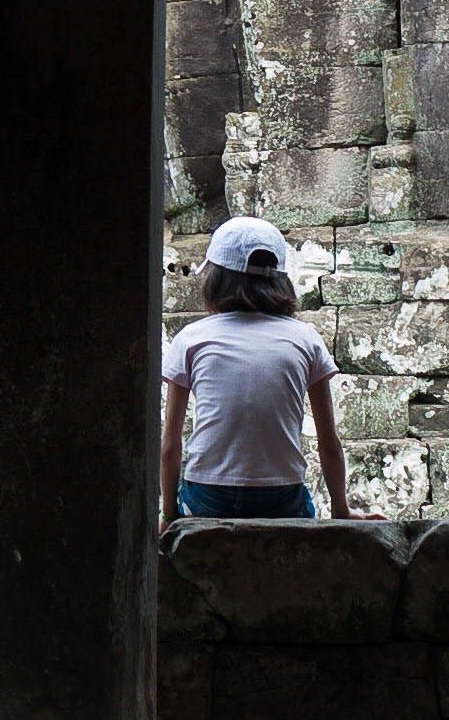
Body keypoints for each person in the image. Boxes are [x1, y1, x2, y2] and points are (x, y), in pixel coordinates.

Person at [159, 216, 385, 529]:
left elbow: (170, 445)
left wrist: (169, 515)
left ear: (216, 278)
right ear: (280, 279)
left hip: (210, 496)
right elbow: (329, 443)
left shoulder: (191, 338)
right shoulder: (306, 338)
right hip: (280, 496)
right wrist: (342, 510)